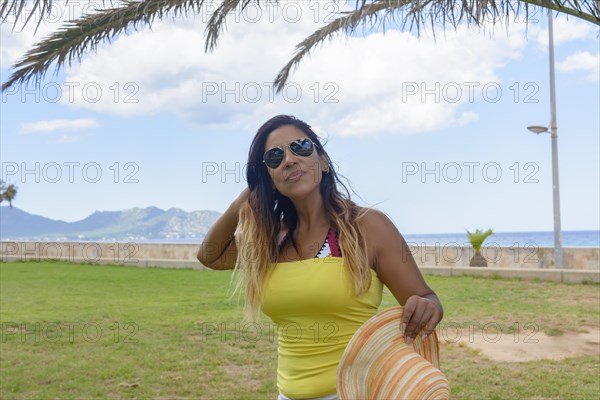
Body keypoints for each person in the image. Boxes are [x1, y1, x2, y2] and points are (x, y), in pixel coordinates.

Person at [197, 115, 443, 400]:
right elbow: (209, 255)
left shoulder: (367, 227)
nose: (289, 159)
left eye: (300, 147)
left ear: (323, 161)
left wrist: (426, 307)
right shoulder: (270, 240)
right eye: (275, 157)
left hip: (354, 392)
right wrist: (244, 198)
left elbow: (428, 298)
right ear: (271, 179)